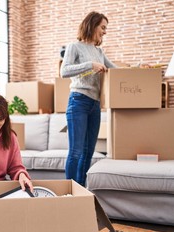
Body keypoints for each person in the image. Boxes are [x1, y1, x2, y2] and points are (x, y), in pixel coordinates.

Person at [60, 11, 116, 186]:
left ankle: (81, 189)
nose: (105, 32)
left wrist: (138, 70)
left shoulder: (99, 52)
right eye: (103, 27)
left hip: (95, 105)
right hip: (78, 101)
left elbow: (115, 70)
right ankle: (69, 192)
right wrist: (90, 66)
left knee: (88, 152)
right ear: (92, 25)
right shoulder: (74, 47)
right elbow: (64, 71)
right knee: (76, 151)